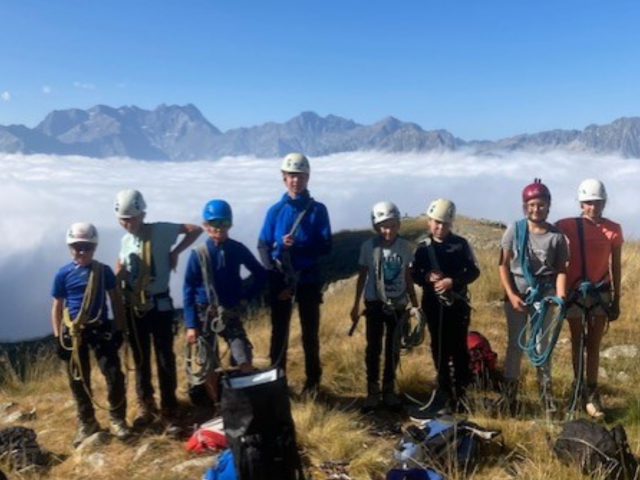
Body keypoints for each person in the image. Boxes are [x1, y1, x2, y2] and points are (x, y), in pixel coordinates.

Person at [114, 189, 202, 429]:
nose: (127, 223)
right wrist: (119, 272)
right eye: (123, 219)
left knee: (164, 358)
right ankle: (147, 405)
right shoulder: (126, 240)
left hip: (159, 304)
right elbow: (121, 261)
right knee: (141, 359)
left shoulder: (161, 230)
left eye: (131, 218)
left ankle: (169, 406)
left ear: (142, 215)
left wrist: (175, 252)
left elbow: (195, 229)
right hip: (136, 307)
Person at [51, 222, 132, 447]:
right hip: (75, 333)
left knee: (115, 374)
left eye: (86, 247)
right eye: (78, 247)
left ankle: (117, 419)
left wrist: (119, 329)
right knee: (78, 379)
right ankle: (87, 422)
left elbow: (115, 299)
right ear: (71, 248)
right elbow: (57, 306)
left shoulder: (103, 271)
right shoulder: (63, 274)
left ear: (93, 248)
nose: (82, 252)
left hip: (101, 330)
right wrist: (58, 337)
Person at [258, 153, 332, 394]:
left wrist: (297, 245)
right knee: (279, 333)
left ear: (307, 178)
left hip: (308, 279)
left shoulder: (318, 210)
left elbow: (326, 245)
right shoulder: (275, 211)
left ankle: (313, 382)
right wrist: (273, 278)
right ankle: (276, 381)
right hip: (282, 279)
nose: (295, 181)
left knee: (310, 334)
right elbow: (263, 246)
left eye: (300, 176)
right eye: (291, 176)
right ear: (284, 178)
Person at [183, 199, 267, 408]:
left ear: (230, 224)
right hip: (204, 314)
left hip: (228, 312)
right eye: (214, 223)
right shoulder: (198, 254)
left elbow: (260, 274)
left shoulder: (236, 249)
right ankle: (218, 404)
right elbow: (188, 289)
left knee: (243, 355)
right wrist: (191, 325)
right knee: (207, 362)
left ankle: (246, 402)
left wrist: (246, 296)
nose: (219, 228)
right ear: (206, 226)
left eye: (224, 223)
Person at [497, 179, 568, 416]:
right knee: (515, 345)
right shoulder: (514, 230)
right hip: (517, 296)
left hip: (545, 297)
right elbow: (503, 265)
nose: (536, 209)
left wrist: (560, 296)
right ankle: (509, 396)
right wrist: (511, 295)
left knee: (542, 346)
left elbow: (561, 269)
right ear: (524, 206)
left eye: (541, 205)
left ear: (548, 206)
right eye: (532, 205)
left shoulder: (556, 236)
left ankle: (546, 396)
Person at [557, 179, 623, 419]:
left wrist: (617, 298)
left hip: (600, 292)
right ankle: (578, 389)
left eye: (596, 203)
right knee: (577, 341)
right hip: (575, 293)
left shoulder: (613, 229)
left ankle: (591, 392)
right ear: (581, 204)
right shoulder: (566, 225)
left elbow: (615, 265)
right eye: (587, 203)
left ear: (603, 202)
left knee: (593, 344)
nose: (592, 208)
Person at [412, 198, 480, 414]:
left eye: (444, 223)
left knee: (459, 347)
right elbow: (413, 274)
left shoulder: (460, 245)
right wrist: (426, 276)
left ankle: (460, 393)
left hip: (457, 306)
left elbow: (473, 271)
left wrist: (453, 281)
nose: (440, 227)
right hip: (433, 306)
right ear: (429, 222)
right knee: (438, 348)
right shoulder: (422, 249)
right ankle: (444, 390)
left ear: (451, 224)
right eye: (436, 222)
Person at [350, 201, 420, 412]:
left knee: (393, 348)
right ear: (376, 226)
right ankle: (373, 392)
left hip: (398, 306)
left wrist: (415, 305)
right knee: (373, 349)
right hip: (374, 304)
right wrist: (355, 305)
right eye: (383, 226)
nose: (388, 230)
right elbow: (362, 276)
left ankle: (388, 391)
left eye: (392, 225)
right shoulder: (368, 247)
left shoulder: (406, 248)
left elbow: (408, 277)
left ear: (398, 224)